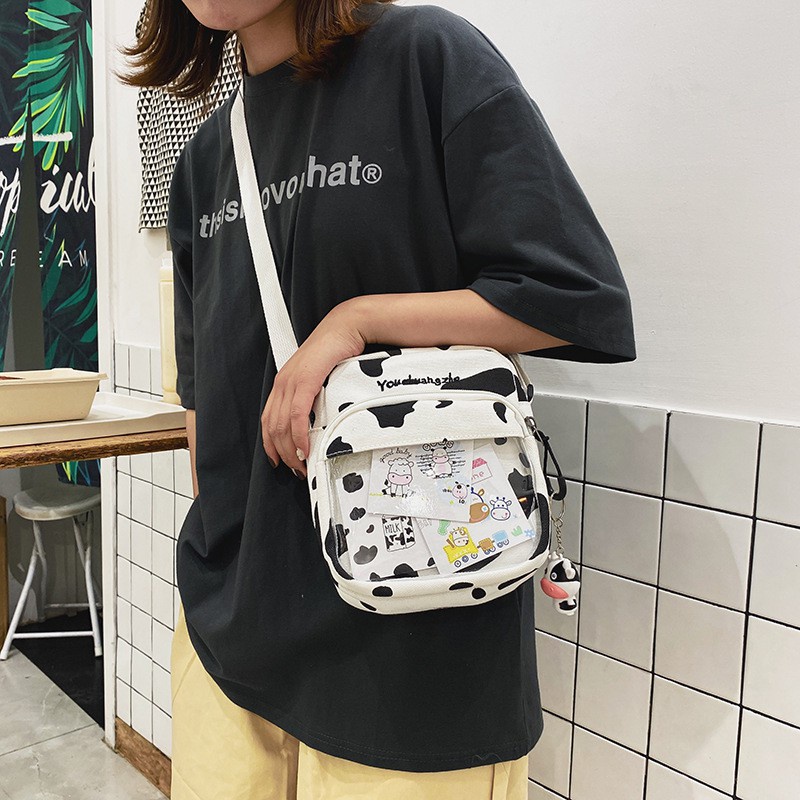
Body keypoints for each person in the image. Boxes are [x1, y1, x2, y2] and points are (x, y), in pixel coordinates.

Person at [122, 1, 637, 797]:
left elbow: (572, 298)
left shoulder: (424, 61)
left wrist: (357, 322)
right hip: (230, 647)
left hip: (413, 653)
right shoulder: (203, 162)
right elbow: (208, 406)